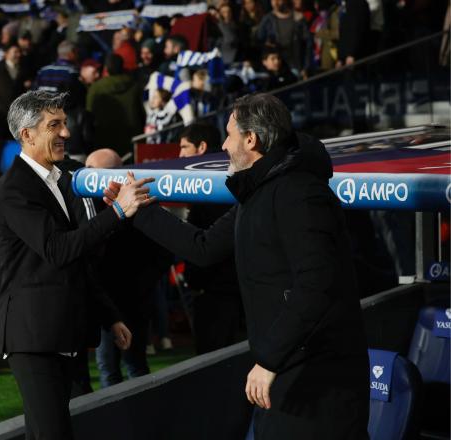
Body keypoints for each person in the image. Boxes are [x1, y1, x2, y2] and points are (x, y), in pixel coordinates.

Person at [107, 93, 369, 439]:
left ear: (251, 139)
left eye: (229, 135)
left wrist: (270, 359)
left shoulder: (300, 192)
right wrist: (136, 210)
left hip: (318, 382)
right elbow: (202, 247)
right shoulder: (259, 191)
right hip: (286, 377)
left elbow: (317, 286)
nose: (225, 145)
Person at [0, 90, 152, 440]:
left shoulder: (60, 179)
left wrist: (109, 315)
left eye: (64, 123)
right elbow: (59, 249)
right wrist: (119, 212)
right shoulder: (13, 189)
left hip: (62, 329)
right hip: (33, 336)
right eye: (55, 125)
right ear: (27, 135)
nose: (66, 133)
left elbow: (77, 261)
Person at [85, 149, 171, 387]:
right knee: (108, 369)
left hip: (133, 304)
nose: (90, 179)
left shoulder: (144, 204)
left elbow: (163, 253)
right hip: (105, 303)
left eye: (95, 173)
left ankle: (142, 422)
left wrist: (143, 287)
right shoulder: (88, 207)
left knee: (134, 366)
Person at [177, 123, 243, 354]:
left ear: (202, 147)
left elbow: (206, 243)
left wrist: (197, 281)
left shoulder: (215, 188)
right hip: (226, 288)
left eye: (185, 147)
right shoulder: (227, 181)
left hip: (216, 291)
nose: (180, 155)